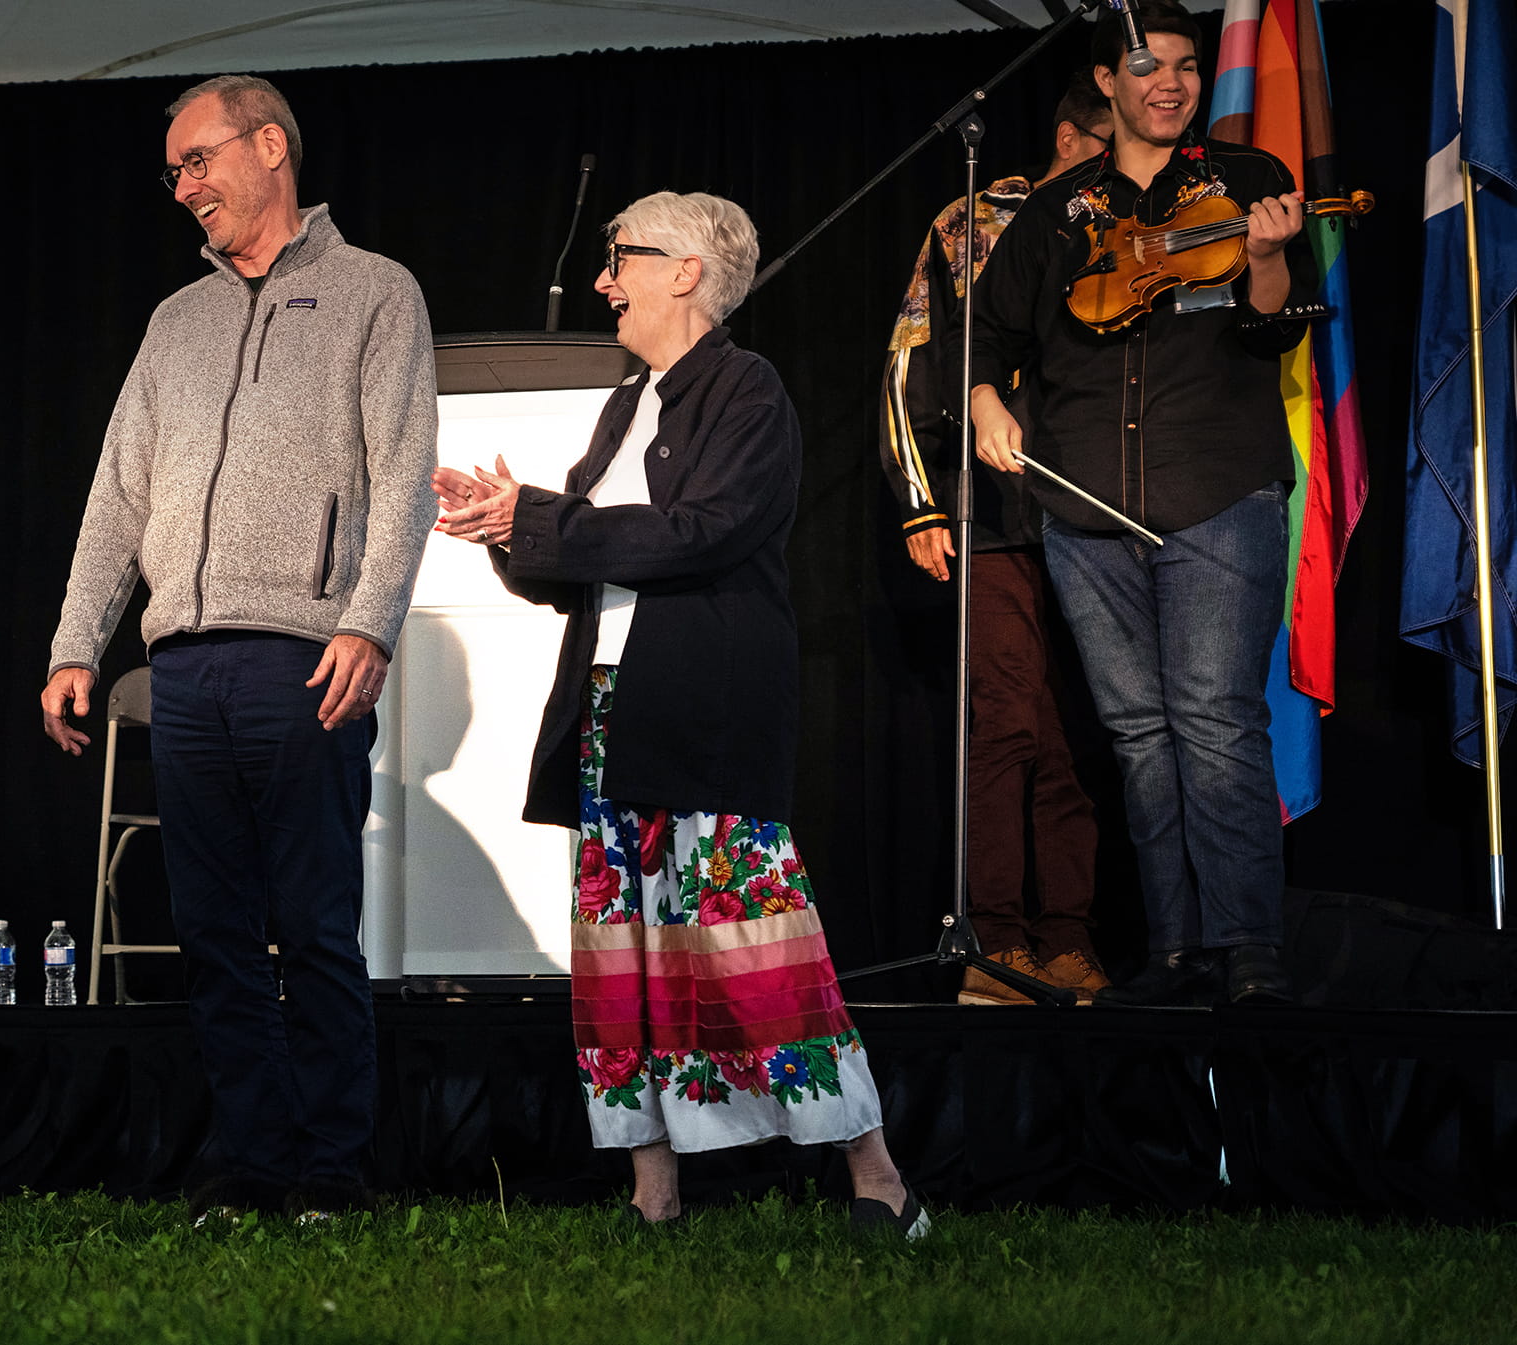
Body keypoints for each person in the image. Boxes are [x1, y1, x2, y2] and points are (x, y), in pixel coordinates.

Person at [434, 192, 926, 1238]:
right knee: (625, 955)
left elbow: (694, 533)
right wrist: (504, 529)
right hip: (610, 710)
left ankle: (877, 1175)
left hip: (703, 711)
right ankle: (653, 1193)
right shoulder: (625, 403)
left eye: (624, 259)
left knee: (751, 939)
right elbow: (575, 569)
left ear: (689, 271)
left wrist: (546, 520)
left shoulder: (746, 391)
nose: (607, 280)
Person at [39, 75, 437, 1224]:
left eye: (198, 160)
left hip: (304, 655)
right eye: (174, 172)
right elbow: (119, 495)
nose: (184, 187)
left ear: (271, 146)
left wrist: (368, 619)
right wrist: (77, 640)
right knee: (212, 933)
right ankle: (254, 1161)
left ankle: (331, 1167)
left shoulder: (375, 292)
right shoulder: (178, 320)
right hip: (186, 667)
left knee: (311, 926)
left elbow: (403, 472)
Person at [967, 2, 1316, 1007]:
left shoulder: (1247, 182)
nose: (1169, 81)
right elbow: (984, 337)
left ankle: (1250, 951)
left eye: (1186, 66)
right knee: (1138, 734)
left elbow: (1278, 332)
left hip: (1216, 489)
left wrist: (1263, 255)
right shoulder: (1053, 213)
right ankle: (1175, 954)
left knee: (1213, 722)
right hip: (1085, 504)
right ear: (1106, 84)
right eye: (1146, 65)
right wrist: (989, 395)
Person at [881, 74, 1112, 1005]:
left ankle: (1064, 940)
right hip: (998, 512)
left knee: (1074, 738)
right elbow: (911, 353)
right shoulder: (973, 217)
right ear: (1070, 138)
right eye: (1106, 147)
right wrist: (919, 499)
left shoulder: (1131, 219)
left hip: (1100, 512)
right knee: (1008, 722)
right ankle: (997, 945)